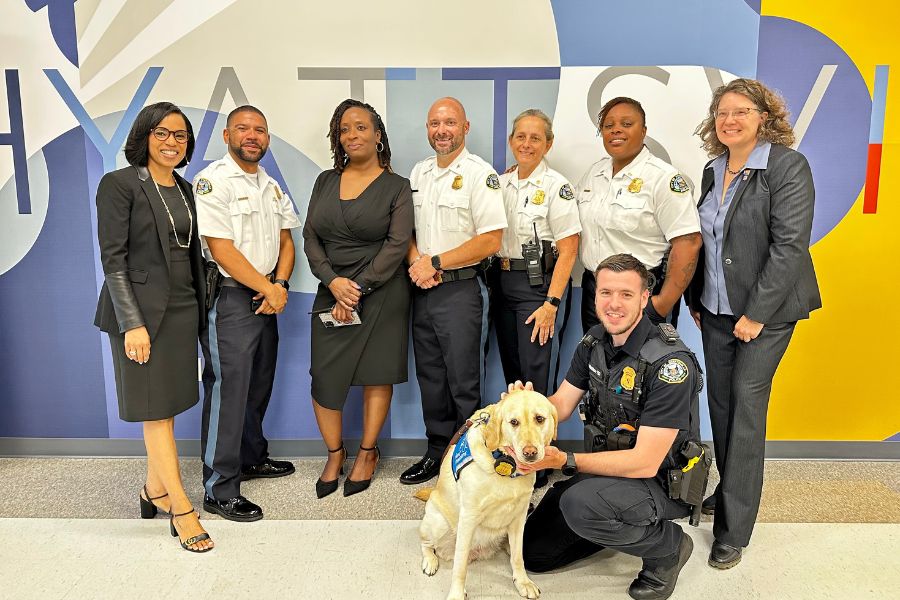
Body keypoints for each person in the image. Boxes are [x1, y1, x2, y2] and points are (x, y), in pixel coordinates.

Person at [508, 254, 705, 600]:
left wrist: (565, 461)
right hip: (610, 470)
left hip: (660, 482)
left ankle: (668, 548)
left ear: (645, 298)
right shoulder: (594, 342)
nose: (614, 304)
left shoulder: (670, 365)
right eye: (605, 293)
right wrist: (526, 407)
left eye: (626, 294)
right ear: (595, 296)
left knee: (579, 505)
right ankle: (603, 520)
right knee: (535, 553)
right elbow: (561, 406)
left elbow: (645, 461)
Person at [686, 78, 821, 569]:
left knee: (745, 409)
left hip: (766, 314)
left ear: (764, 117)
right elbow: (707, 242)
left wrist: (755, 314)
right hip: (717, 313)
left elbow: (789, 248)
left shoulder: (786, 167)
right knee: (720, 409)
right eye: (723, 112)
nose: (730, 120)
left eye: (742, 111)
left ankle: (733, 530)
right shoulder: (711, 170)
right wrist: (698, 298)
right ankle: (730, 494)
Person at [94, 102, 212, 552]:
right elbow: (114, 261)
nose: (171, 142)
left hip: (182, 311)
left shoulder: (185, 188)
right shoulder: (119, 184)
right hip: (139, 316)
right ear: (144, 136)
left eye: (180, 136)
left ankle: (153, 492)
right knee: (156, 410)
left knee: (168, 404)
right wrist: (132, 325)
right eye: (162, 133)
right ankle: (180, 509)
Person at [194, 105, 300, 521]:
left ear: (267, 139)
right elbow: (221, 250)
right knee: (229, 390)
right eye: (243, 128)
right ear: (226, 136)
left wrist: (282, 286)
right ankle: (219, 489)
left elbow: (287, 241)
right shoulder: (212, 182)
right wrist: (269, 288)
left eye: (259, 130)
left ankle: (251, 457)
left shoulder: (271, 186)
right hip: (234, 300)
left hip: (268, 296)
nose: (252, 135)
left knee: (258, 383)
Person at [303, 99, 413, 498]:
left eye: (361, 127)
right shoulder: (324, 181)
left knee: (376, 374)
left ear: (378, 135)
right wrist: (334, 283)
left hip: (382, 292)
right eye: (345, 129)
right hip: (331, 290)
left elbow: (398, 244)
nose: (353, 135)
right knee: (324, 377)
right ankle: (335, 453)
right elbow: (310, 238)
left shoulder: (397, 185)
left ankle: (368, 452)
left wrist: (357, 287)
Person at [401, 97, 508, 484]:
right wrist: (418, 264)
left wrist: (436, 263)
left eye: (449, 122)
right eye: (434, 123)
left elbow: (491, 240)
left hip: (461, 292)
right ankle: (436, 452)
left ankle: (467, 458)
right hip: (422, 288)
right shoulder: (419, 172)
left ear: (465, 128)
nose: (441, 130)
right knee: (430, 376)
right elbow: (407, 231)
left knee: (464, 381)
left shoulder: (481, 175)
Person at [575, 97, 702, 333]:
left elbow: (689, 242)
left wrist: (662, 304)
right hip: (596, 291)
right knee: (597, 366)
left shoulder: (664, 179)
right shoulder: (594, 173)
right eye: (608, 125)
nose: (616, 130)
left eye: (626, 123)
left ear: (643, 131)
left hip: (641, 294)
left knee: (643, 367)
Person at [492, 109, 581, 397]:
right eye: (521, 136)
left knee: (535, 376)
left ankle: (541, 444)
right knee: (513, 377)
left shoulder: (557, 187)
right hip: (502, 282)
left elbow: (569, 250)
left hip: (538, 287)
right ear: (510, 140)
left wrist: (551, 303)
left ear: (548, 144)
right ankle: (517, 444)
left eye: (535, 138)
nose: (526, 144)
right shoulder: (499, 184)